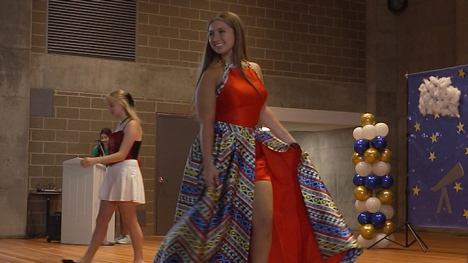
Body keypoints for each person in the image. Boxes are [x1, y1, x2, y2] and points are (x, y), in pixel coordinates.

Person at [153, 11, 361, 263]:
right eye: (211, 34)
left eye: (221, 32)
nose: (215, 38)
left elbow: (262, 110)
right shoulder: (211, 74)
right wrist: (208, 164)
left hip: (253, 150)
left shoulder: (254, 70)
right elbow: (206, 124)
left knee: (265, 219)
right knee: (217, 225)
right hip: (223, 153)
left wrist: (289, 140)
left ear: (236, 34)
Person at [63, 89, 145, 263]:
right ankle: (87, 258)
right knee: (102, 219)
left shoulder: (132, 125)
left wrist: (95, 160)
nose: (109, 109)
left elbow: (123, 154)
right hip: (115, 171)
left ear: (122, 104)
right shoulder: (120, 125)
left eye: (111, 105)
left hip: (125, 171)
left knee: (130, 220)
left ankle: (139, 259)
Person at [92, 127, 132, 245]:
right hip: (101, 178)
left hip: (114, 177)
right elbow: (94, 161)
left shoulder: (114, 148)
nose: (103, 139)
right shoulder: (97, 149)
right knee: (103, 216)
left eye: (106, 137)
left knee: (124, 211)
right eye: (102, 137)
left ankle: (125, 234)